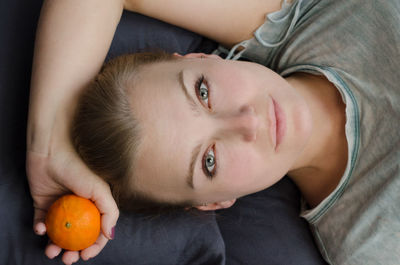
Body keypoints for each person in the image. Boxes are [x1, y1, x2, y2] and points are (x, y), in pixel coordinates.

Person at [27, 0, 400, 265]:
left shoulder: (309, 16)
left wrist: (46, 145)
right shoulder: (370, 244)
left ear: (200, 59)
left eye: (203, 92)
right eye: (209, 161)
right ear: (214, 202)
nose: (248, 123)